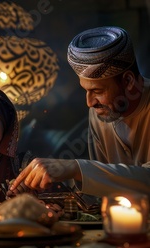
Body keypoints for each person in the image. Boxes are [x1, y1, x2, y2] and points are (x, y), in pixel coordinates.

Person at [10, 26, 150, 197]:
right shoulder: (102, 111)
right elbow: (105, 186)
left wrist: (74, 168)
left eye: (98, 91)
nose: (89, 102)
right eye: (85, 90)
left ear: (128, 81)